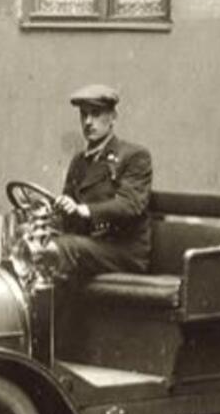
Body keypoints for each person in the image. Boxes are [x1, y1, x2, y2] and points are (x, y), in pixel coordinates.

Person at [48, 84, 152, 279]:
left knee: (64, 248)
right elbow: (67, 208)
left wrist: (83, 210)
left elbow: (130, 205)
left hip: (123, 251)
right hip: (90, 246)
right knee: (36, 244)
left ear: (113, 117)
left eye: (95, 114)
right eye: (84, 115)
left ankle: (56, 310)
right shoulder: (79, 161)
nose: (88, 122)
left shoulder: (134, 156)